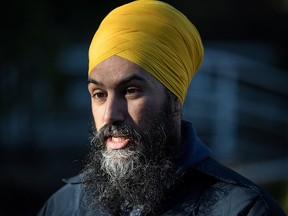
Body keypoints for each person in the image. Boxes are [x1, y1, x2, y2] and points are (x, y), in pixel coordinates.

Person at [37, 0, 286, 215]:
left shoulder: (244, 209)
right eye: (99, 94)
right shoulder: (64, 206)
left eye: (131, 91)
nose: (110, 114)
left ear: (175, 98)